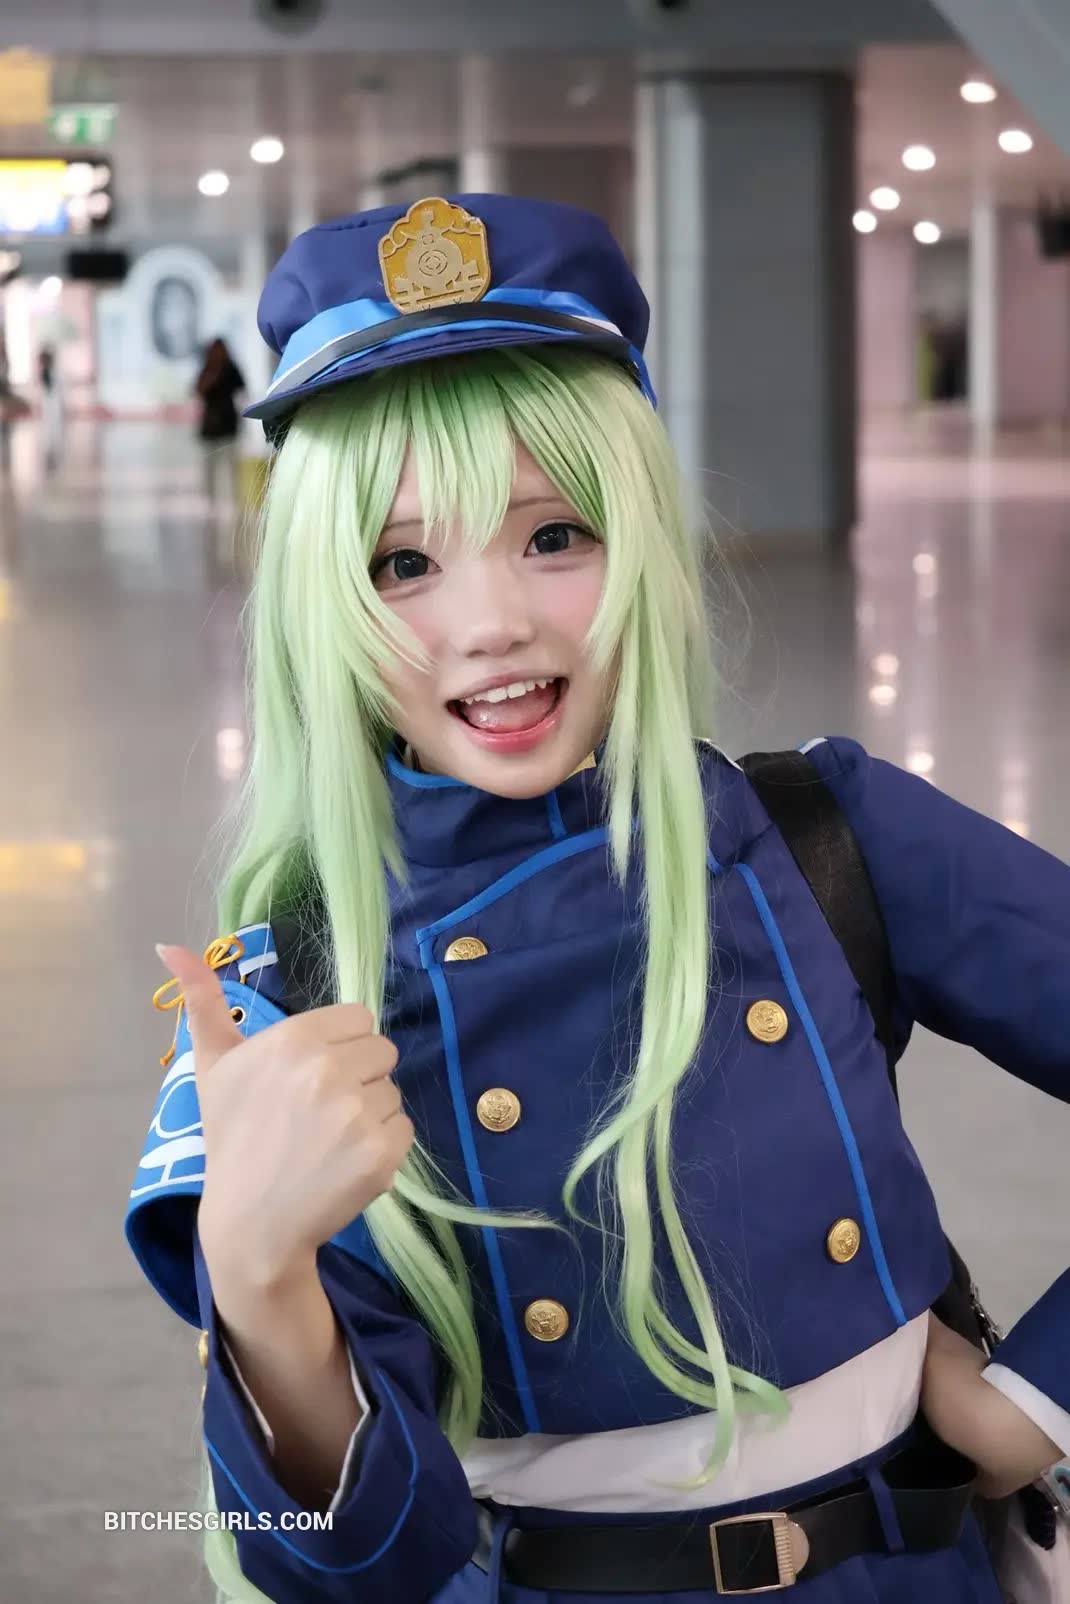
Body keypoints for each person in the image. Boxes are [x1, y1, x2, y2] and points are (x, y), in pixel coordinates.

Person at [125, 194, 1070, 1604]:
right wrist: (258, 1273)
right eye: (402, 563)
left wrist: (1029, 1400)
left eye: (554, 535)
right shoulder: (288, 992)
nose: (491, 622)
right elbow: (359, 1569)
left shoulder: (823, 834)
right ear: (322, 600)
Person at [194, 337, 245, 510]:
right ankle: (211, 502)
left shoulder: (231, 369)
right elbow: (198, 390)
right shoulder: (206, 369)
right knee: (210, 467)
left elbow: (242, 391)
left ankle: (234, 500)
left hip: (228, 424)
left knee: (231, 466)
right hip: (210, 426)